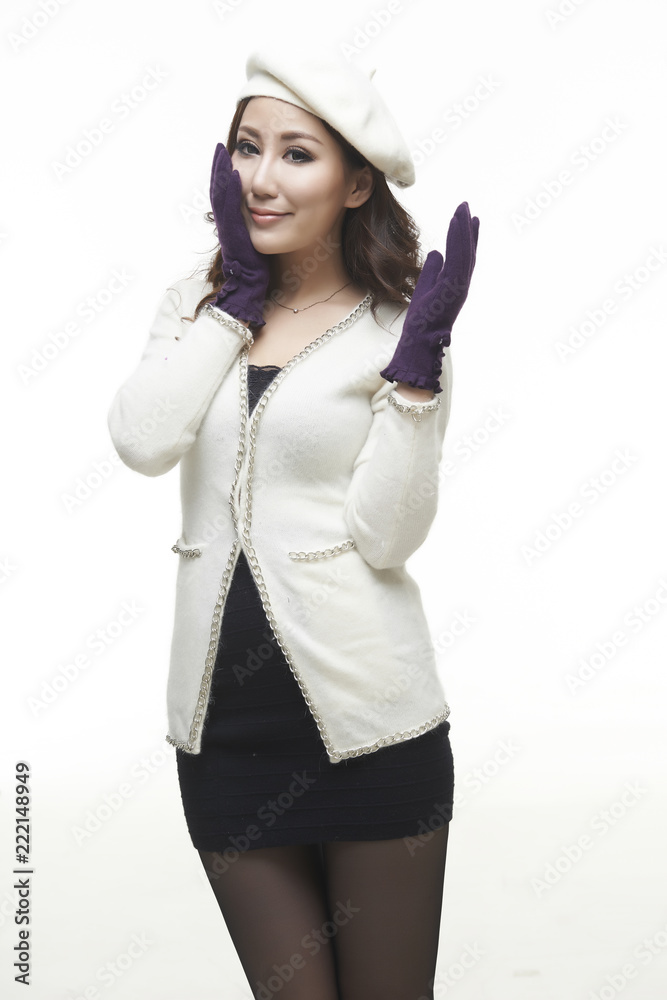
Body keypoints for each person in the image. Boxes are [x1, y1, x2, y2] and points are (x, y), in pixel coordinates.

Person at [107, 45, 478, 1000]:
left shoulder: (399, 325)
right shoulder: (194, 302)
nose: (260, 179)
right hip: (224, 735)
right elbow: (143, 441)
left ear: (356, 185)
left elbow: (387, 539)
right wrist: (233, 307)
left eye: (296, 154)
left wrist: (415, 383)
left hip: (374, 729)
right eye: (246, 148)